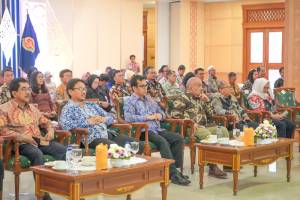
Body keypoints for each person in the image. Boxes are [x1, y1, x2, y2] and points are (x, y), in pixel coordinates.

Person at [0, 78, 66, 200]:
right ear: (14, 93)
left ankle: (69, 190)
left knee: (63, 150)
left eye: (29, 89)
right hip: (20, 143)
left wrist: (50, 131)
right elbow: (2, 130)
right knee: (36, 154)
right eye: (23, 89)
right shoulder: (4, 109)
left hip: (38, 140)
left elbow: (47, 122)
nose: (28, 92)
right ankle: (43, 195)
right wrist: (21, 136)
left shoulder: (32, 108)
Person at [124, 75, 190, 186]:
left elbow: (163, 114)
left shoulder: (150, 99)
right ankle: (172, 174)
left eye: (146, 85)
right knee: (163, 142)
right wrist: (146, 117)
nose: (145, 88)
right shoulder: (130, 101)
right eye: (142, 86)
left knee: (178, 138)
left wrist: (160, 115)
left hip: (157, 128)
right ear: (134, 88)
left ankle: (175, 170)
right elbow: (128, 118)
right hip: (143, 131)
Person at [169, 77, 228, 179]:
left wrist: (207, 101)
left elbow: (210, 114)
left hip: (204, 126)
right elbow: (175, 114)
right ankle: (212, 166)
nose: (202, 88)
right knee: (208, 135)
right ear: (191, 87)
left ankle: (227, 162)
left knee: (223, 131)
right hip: (190, 128)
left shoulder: (200, 98)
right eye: (199, 85)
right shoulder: (182, 98)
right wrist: (190, 122)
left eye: (202, 85)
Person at [60, 78, 143, 150]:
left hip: (107, 134)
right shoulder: (68, 108)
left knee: (137, 145)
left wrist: (105, 119)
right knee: (116, 149)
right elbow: (65, 125)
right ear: (70, 91)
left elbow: (111, 116)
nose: (84, 91)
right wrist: (88, 122)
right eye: (80, 89)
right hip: (90, 138)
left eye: (84, 89)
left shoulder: (91, 105)